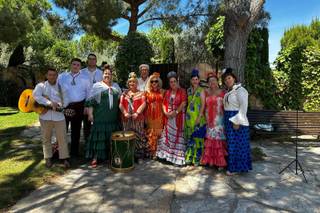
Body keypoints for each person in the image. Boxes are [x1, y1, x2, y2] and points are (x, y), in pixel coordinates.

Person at [33, 68, 70, 168]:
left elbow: (66, 100)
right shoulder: (41, 86)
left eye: (54, 75)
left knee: (62, 138)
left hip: (59, 116)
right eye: (50, 75)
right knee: (46, 138)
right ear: (47, 75)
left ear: (57, 76)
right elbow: (36, 96)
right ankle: (48, 157)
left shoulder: (62, 87)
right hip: (45, 116)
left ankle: (64, 158)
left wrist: (59, 105)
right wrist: (49, 103)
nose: (52, 77)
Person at [85, 67, 120, 168]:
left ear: (112, 76)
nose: (107, 75)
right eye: (105, 73)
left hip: (112, 118)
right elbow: (91, 101)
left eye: (109, 74)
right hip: (100, 117)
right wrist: (90, 114)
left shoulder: (116, 87)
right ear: (102, 75)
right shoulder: (97, 86)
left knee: (110, 138)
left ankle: (110, 157)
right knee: (98, 138)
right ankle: (95, 157)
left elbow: (119, 99)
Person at [58, 58, 91, 158]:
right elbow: (57, 90)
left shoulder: (86, 78)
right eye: (74, 64)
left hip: (79, 106)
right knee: (63, 129)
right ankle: (62, 152)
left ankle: (74, 153)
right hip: (65, 106)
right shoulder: (62, 76)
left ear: (80, 67)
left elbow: (89, 93)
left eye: (78, 65)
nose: (75, 66)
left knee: (76, 130)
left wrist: (87, 106)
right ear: (70, 65)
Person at [222, 68, 252, 175]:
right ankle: (235, 166)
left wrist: (237, 121)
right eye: (225, 80)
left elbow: (244, 107)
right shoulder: (230, 92)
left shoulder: (240, 90)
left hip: (236, 119)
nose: (227, 81)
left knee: (237, 145)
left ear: (234, 78)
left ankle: (235, 168)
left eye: (229, 78)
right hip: (228, 118)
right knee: (231, 144)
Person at [156, 71, 187, 166]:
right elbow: (164, 103)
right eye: (171, 82)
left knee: (177, 137)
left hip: (178, 117)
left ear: (177, 81)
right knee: (168, 136)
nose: (173, 83)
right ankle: (166, 156)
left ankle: (176, 159)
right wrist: (166, 112)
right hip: (169, 117)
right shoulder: (168, 92)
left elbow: (183, 103)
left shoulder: (182, 91)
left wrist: (176, 112)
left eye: (174, 81)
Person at [119, 72, 148, 161]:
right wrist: (124, 113)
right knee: (127, 135)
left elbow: (144, 103)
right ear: (128, 83)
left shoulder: (142, 93)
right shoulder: (124, 93)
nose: (132, 84)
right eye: (130, 82)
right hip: (126, 119)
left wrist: (137, 113)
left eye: (134, 82)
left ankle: (139, 155)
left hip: (138, 119)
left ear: (137, 83)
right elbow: (120, 104)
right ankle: (129, 154)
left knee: (139, 136)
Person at [201, 73, 227, 170]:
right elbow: (203, 106)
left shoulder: (223, 92)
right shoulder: (206, 92)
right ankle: (211, 161)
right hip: (209, 119)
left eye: (214, 80)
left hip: (219, 120)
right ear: (208, 83)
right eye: (210, 81)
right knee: (210, 139)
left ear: (217, 82)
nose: (212, 82)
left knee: (218, 140)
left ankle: (220, 163)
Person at [184, 69, 206, 166]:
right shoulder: (188, 90)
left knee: (198, 139)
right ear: (191, 80)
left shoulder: (201, 91)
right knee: (190, 139)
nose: (195, 81)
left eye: (196, 79)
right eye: (193, 79)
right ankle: (189, 157)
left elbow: (203, 105)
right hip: (189, 119)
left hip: (198, 118)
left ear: (199, 80)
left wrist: (199, 116)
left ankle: (197, 159)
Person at [81, 53, 103, 141]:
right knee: (87, 126)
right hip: (85, 102)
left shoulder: (101, 73)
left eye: (93, 59)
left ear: (96, 61)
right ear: (87, 60)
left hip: (98, 103)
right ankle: (87, 145)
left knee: (98, 125)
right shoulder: (81, 72)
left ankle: (97, 144)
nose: (92, 60)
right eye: (90, 59)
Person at [145, 72, 164, 159]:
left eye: (156, 81)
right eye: (152, 81)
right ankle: (152, 152)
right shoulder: (147, 93)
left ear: (158, 82)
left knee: (159, 133)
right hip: (150, 116)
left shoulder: (163, 92)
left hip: (160, 115)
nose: (154, 83)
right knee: (151, 134)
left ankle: (160, 152)